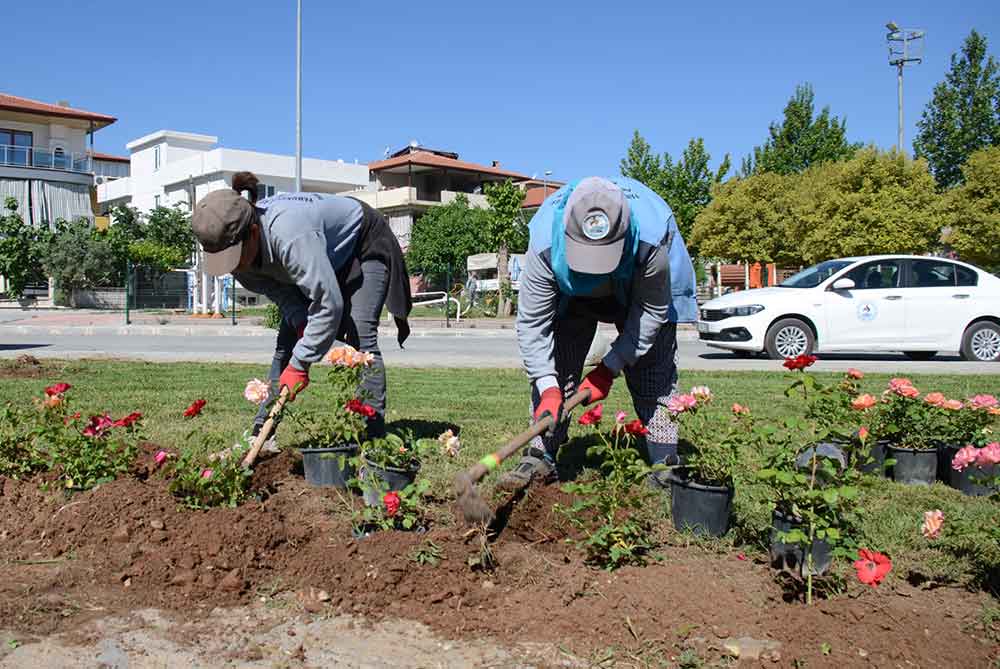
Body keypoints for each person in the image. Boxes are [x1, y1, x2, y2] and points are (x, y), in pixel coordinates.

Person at [499, 176, 697, 490]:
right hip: (570, 294)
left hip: (637, 288)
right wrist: (549, 387)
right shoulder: (544, 242)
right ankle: (540, 455)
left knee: (652, 369)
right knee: (556, 366)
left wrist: (610, 367)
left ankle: (665, 463)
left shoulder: (652, 239)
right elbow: (533, 325)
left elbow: (651, 314)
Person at [191, 171, 412, 437]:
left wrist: (301, 364)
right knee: (285, 346)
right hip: (323, 256)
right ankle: (262, 434)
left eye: (234, 257)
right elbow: (282, 293)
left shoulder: (290, 233)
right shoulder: (236, 254)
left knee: (360, 341)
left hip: (362, 243)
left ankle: (372, 441)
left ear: (252, 232)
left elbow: (328, 303)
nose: (234, 267)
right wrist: (300, 322)